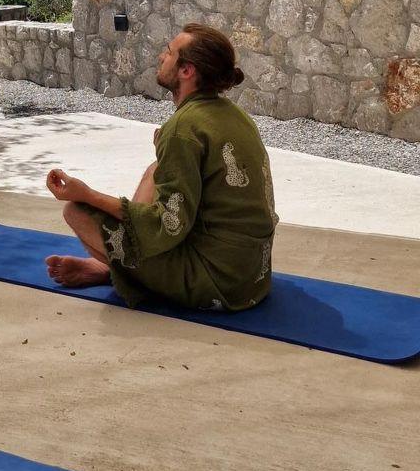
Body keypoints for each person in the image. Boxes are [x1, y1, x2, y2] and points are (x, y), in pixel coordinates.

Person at [44, 23, 278, 312]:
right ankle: (111, 267)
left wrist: (87, 195)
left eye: (168, 52)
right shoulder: (235, 115)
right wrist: (167, 155)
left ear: (186, 71)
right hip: (252, 274)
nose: (160, 57)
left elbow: (167, 224)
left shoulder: (182, 129)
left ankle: (115, 270)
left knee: (76, 212)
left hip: (217, 282)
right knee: (156, 169)